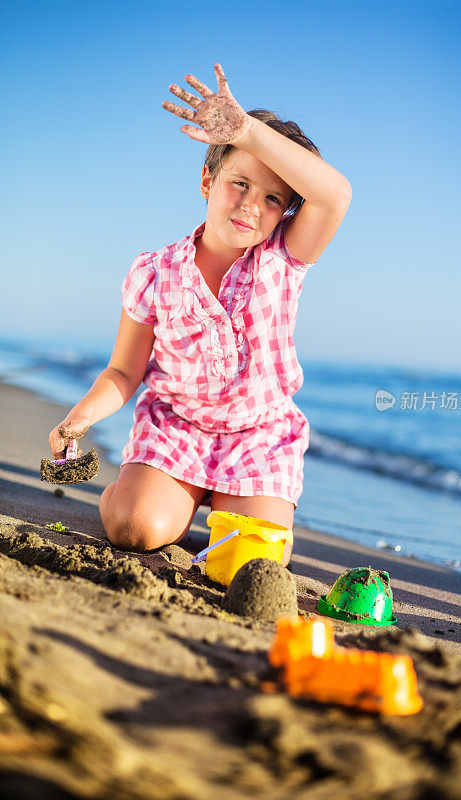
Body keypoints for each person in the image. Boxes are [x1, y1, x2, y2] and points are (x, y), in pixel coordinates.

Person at [48, 63, 352, 567]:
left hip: (259, 436)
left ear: (286, 212)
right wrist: (79, 417)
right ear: (208, 178)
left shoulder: (286, 257)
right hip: (177, 428)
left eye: (273, 198)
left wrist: (248, 132)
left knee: (250, 563)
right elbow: (125, 371)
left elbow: (336, 195)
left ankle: (218, 508)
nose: (252, 206)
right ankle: (139, 493)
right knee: (133, 528)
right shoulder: (155, 271)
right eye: (239, 184)